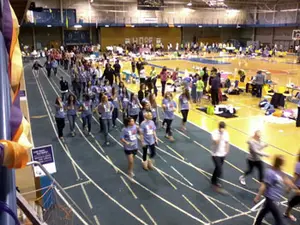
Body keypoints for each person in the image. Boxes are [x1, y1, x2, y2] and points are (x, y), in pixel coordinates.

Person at [254, 155, 299, 225]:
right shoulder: (270, 172)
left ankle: (257, 223)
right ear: (278, 162)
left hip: (275, 198)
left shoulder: (280, 171)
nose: (284, 163)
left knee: (264, 210)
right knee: (279, 219)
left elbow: (287, 180)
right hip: (271, 198)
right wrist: (257, 197)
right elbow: (264, 186)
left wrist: (295, 189)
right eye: (282, 162)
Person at [211, 121, 229, 193]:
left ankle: (213, 179)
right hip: (215, 154)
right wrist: (221, 135)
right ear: (219, 127)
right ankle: (215, 183)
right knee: (219, 169)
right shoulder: (214, 133)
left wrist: (226, 151)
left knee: (217, 168)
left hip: (222, 154)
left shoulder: (226, 133)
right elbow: (216, 142)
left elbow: (227, 142)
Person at [284, 151, 300, 222]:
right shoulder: (299, 165)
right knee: (295, 200)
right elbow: (295, 178)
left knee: (297, 200)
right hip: (299, 187)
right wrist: (289, 187)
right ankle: (287, 213)